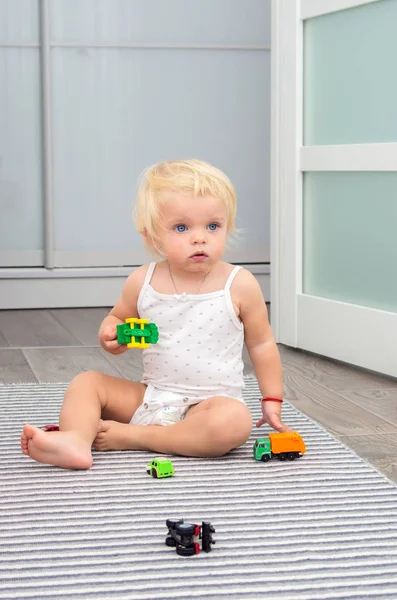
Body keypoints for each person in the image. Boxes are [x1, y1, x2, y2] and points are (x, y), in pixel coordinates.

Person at [20, 159, 290, 470]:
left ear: (227, 226)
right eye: (181, 227)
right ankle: (75, 441)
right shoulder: (142, 280)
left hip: (208, 407)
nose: (200, 237)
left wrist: (272, 398)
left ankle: (137, 437)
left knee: (234, 423)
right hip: (152, 397)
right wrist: (111, 334)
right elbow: (117, 318)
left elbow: (262, 345)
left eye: (213, 226)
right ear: (152, 236)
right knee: (87, 382)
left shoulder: (239, 284)